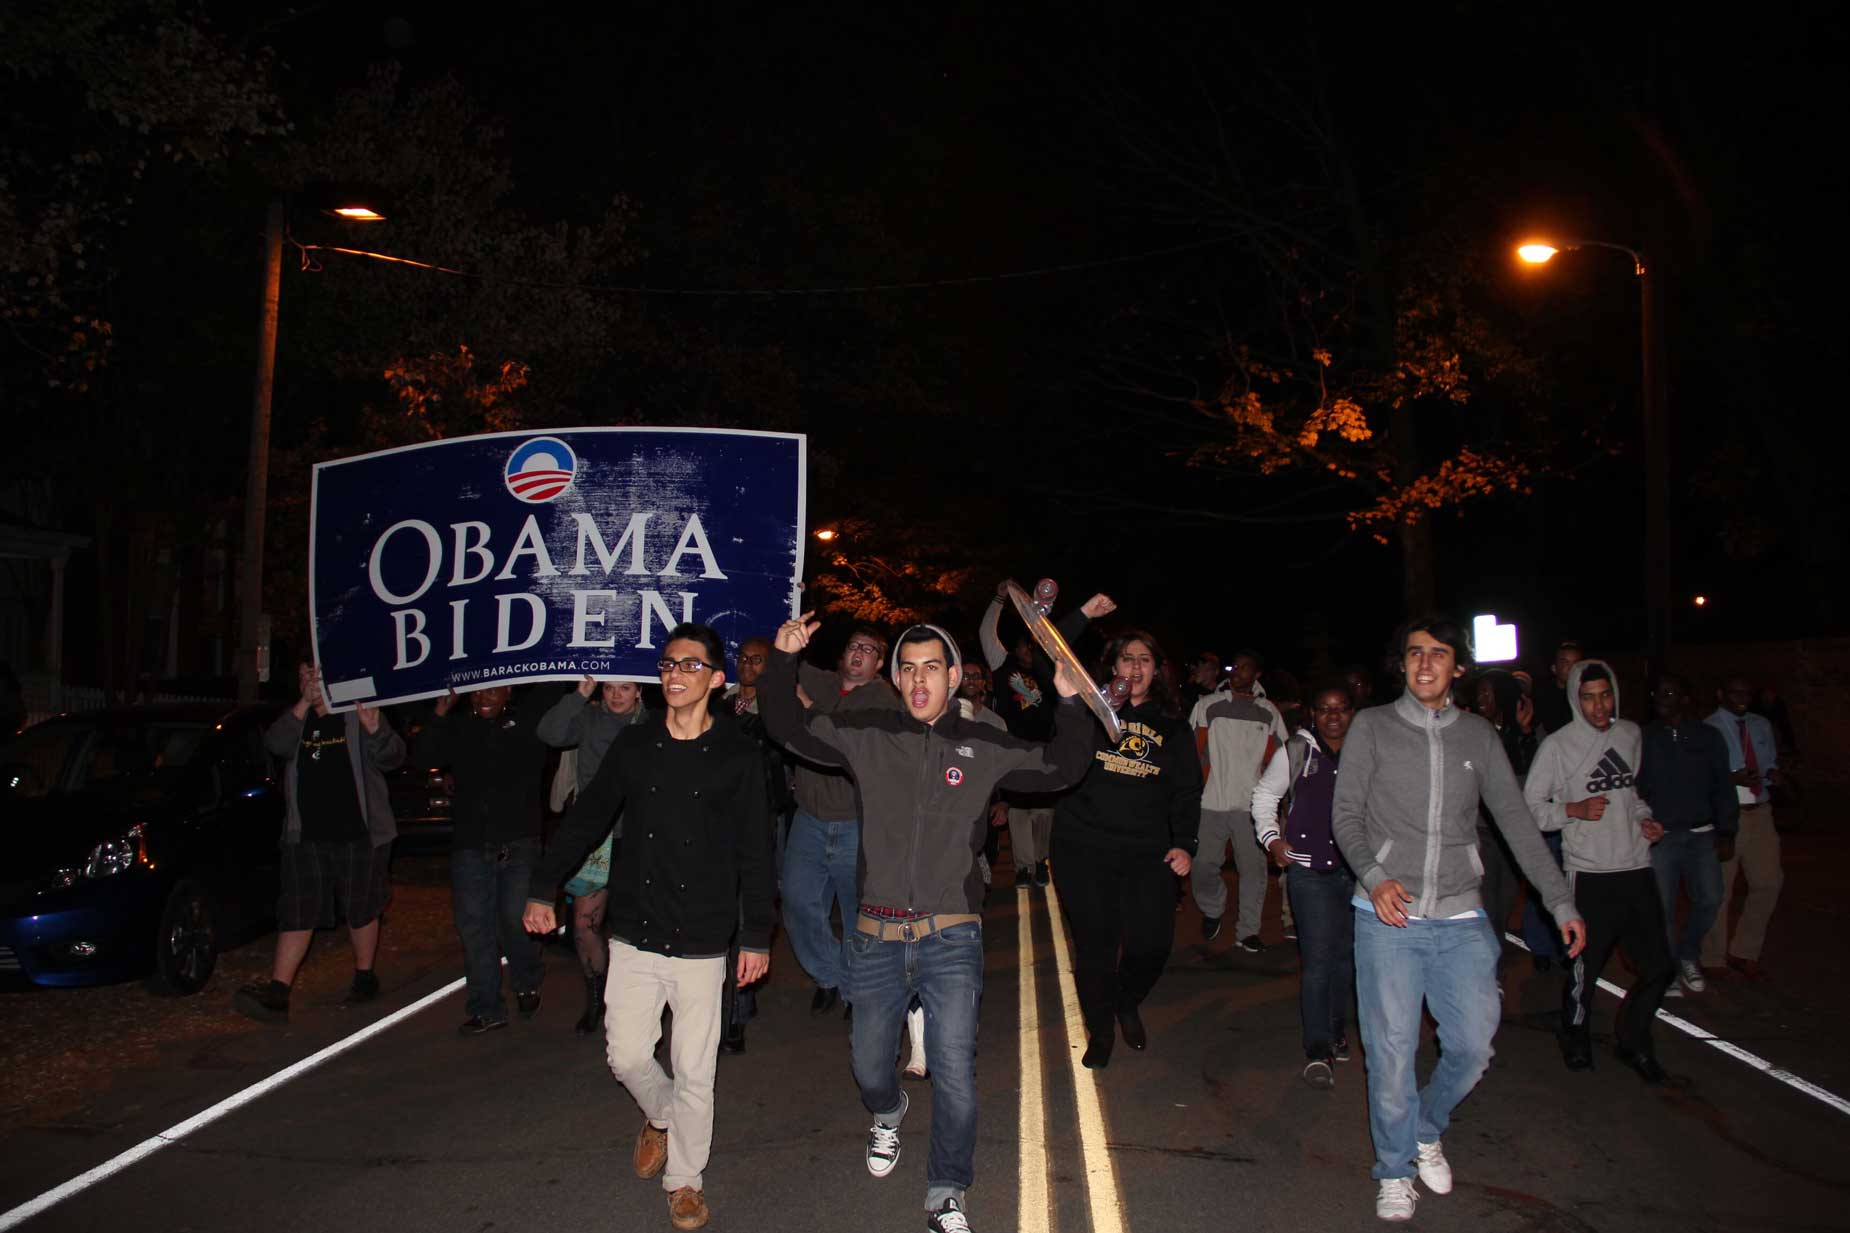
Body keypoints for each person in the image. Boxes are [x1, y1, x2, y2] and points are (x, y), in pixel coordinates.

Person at [762, 614, 1094, 1233]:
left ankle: (947, 1189)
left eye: (931, 668)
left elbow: (1060, 770)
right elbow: (787, 728)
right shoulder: (866, 735)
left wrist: (1071, 703)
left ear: (952, 678)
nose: (919, 680)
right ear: (896, 677)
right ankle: (887, 1113)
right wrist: (782, 662)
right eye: (907, 668)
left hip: (951, 933)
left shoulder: (984, 745)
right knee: (868, 1065)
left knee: (956, 1072)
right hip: (875, 936)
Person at [1331, 616, 1585, 1223]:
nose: (1425, 664)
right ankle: (1393, 1170)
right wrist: (1374, 874)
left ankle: (1426, 1126)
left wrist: (1560, 900)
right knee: (1390, 1051)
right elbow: (1347, 816)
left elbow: (1517, 823)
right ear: (1403, 663)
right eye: (1415, 653)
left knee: (1473, 1046)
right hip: (1386, 915)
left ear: (1457, 667)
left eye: (1438, 654)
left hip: (1461, 915)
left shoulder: (1477, 736)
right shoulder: (1372, 726)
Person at [524, 623, 774, 1232]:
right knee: (627, 1055)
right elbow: (587, 818)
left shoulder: (740, 755)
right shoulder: (636, 747)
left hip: (703, 938)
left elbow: (756, 853)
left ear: (717, 680)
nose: (674, 674)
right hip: (635, 930)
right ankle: (661, 1115)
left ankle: (685, 1180)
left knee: (697, 1069)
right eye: (667, 664)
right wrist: (541, 886)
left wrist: (758, 935)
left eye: (690, 665)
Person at [1051, 629, 1201, 1069]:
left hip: (1146, 853)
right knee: (1095, 947)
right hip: (1083, 847)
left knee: (1151, 945)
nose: (1135, 667)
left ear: (1157, 670)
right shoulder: (1089, 711)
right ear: (1112, 666)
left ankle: (1125, 1000)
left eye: (1145, 660)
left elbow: (1187, 791)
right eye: (1127, 658)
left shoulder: (1172, 724)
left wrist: (1184, 843)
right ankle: (1099, 1030)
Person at [1525, 660, 1675, 1082]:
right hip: (1588, 873)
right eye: (1588, 697)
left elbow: (1630, 794)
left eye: (1604, 695)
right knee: (1583, 972)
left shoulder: (1630, 734)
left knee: (1661, 966)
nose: (1598, 705)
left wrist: (1645, 819)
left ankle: (1633, 1038)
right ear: (1575, 698)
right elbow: (1530, 810)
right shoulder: (1558, 746)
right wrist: (1572, 810)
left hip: (1636, 865)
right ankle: (1574, 1034)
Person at [236, 662, 403, 1022]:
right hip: (306, 835)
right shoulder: (296, 721)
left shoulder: (357, 713)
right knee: (297, 909)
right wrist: (302, 704)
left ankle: (364, 975)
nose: (310, 682)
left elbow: (393, 757)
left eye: (317, 675)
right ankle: (278, 991)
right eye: (304, 676)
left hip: (360, 832)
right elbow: (275, 744)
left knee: (361, 907)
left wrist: (377, 731)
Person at [414, 682, 553, 1035]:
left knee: (513, 919)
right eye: (477, 692)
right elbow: (424, 757)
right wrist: (441, 711)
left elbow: (551, 689)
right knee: (474, 927)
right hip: (471, 843)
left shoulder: (528, 722)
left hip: (519, 841)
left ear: (509, 690)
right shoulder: (460, 727)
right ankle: (486, 1007)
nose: (484, 698)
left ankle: (526, 980)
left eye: (492, 691)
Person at [783, 626, 899, 1016]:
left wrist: (805, 705)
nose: (858, 653)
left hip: (855, 822)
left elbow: (840, 739)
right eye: (853, 645)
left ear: (879, 663)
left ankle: (853, 986)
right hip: (809, 818)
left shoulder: (884, 699)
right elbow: (784, 662)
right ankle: (828, 974)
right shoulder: (825, 681)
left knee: (856, 912)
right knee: (799, 901)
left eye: (869, 650)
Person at [1254, 682, 1356, 1089]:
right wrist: (1272, 840)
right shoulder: (1297, 750)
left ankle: (1336, 1027)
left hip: (1359, 873)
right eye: (1325, 708)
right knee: (1317, 961)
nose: (1333, 716)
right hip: (1309, 872)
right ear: (1313, 713)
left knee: (1346, 960)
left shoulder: (1367, 750)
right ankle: (1318, 1050)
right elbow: (1263, 796)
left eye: (1341, 708)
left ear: (1352, 712)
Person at [978, 584, 1114, 886]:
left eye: (1032, 646)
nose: (1029, 652)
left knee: (1043, 815)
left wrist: (1082, 615)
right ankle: (1024, 866)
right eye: (1026, 646)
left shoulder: (1043, 671)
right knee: (1018, 815)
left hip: (1047, 753)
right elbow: (987, 633)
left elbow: (1056, 648)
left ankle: (1040, 861)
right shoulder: (1003, 666)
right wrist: (999, 598)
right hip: (1015, 751)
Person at [538, 676, 649, 1034]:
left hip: (639, 837)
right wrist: (579, 695)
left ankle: (639, 1005)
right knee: (585, 925)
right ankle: (595, 998)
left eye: (625, 688)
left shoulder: (654, 723)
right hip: (594, 838)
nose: (617, 696)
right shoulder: (588, 717)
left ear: (639, 691)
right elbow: (550, 734)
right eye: (610, 688)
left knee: (640, 927)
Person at [1636, 675, 1738, 997]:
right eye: (1658, 692)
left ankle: (1688, 954)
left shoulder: (1708, 737)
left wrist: (1727, 831)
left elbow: (1723, 785)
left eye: (1669, 693)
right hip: (1660, 836)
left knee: (1710, 898)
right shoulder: (1644, 738)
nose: (1661, 698)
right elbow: (1634, 789)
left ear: (1685, 699)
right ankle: (1668, 970)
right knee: (1662, 907)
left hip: (1701, 834)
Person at [718, 635, 793, 1053]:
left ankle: (736, 1014)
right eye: (743, 658)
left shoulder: (776, 711)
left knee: (751, 909)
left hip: (760, 821)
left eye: (758, 660)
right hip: (715, 823)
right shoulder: (717, 703)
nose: (748, 665)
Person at [1190, 649, 1287, 950]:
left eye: (1245, 668)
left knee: (1253, 869)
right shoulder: (1208, 706)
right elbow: (1193, 753)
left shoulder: (1269, 712)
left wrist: (1275, 800)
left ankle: (1248, 931)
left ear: (1256, 675)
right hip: (1211, 801)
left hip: (1250, 806)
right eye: (1235, 666)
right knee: (1203, 865)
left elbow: (1281, 758)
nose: (1237, 672)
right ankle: (1212, 909)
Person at [1701, 676, 1783, 981]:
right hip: (1726, 815)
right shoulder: (1708, 728)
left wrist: (1774, 773)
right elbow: (1701, 775)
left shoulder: (1760, 725)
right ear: (1721, 693)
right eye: (1735, 692)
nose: (1742, 698)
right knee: (1720, 889)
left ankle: (1744, 950)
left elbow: (1770, 761)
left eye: (1747, 692)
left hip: (1760, 811)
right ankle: (1712, 957)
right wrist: (1729, 778)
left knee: (1769, 883)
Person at [1469, 671, 1542, 958]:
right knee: (1486, 904)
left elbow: (1533, 781)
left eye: (1488, 692)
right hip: (1480, 833)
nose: (1481, 698)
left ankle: (1493, 956)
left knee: (1507, 899)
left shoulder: (1527, 732)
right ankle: (1490, 969)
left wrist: (1525, 735)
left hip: (1511, 836)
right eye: (1480, 692)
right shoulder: (1472, 730)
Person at [1534, 641, 1585, 736]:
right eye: (1566, 663)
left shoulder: (1588, 696)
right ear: (1554, 668)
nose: (1572, 668)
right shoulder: (1543, 697)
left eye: (1576, 663)